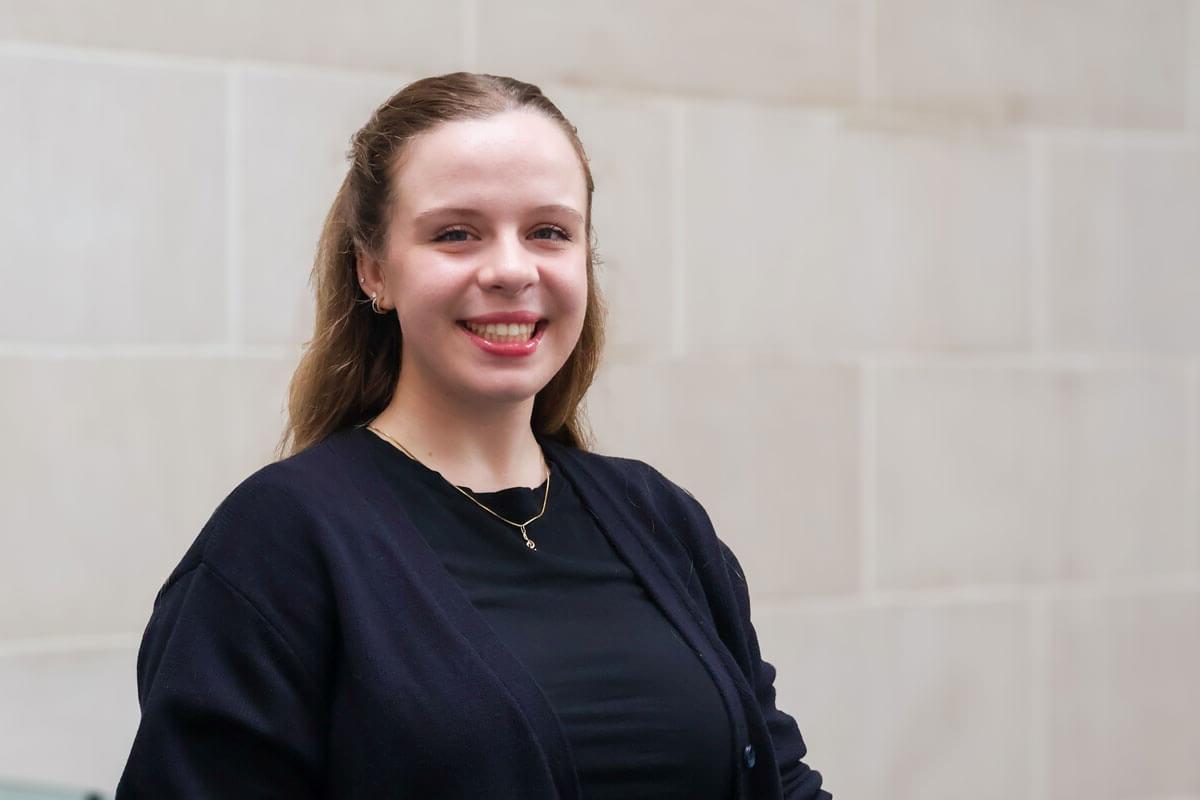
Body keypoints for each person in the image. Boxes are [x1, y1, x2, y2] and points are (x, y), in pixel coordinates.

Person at [116, 72, 830, 800]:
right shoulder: (279, 542)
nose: (512, 270)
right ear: (374, 270)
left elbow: (783, 782)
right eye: (456, 233)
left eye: (549, 232)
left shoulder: (659, 519)